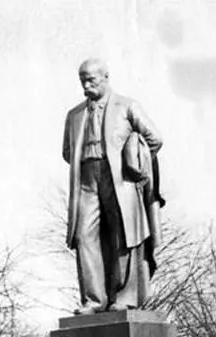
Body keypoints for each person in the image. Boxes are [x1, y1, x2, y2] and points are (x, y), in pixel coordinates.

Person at [63, 58, 163, 313]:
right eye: (82, 80)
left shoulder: (127, 106)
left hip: (119, 179)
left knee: (123, 236)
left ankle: (125, 297)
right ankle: (94, 300)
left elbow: (155, 139)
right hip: (86, 179)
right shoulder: (74, 115)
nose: (86, 85)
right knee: (84, 236)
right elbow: (67, 151)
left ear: (106, 77)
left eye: (91, 80)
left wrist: (134, 160)